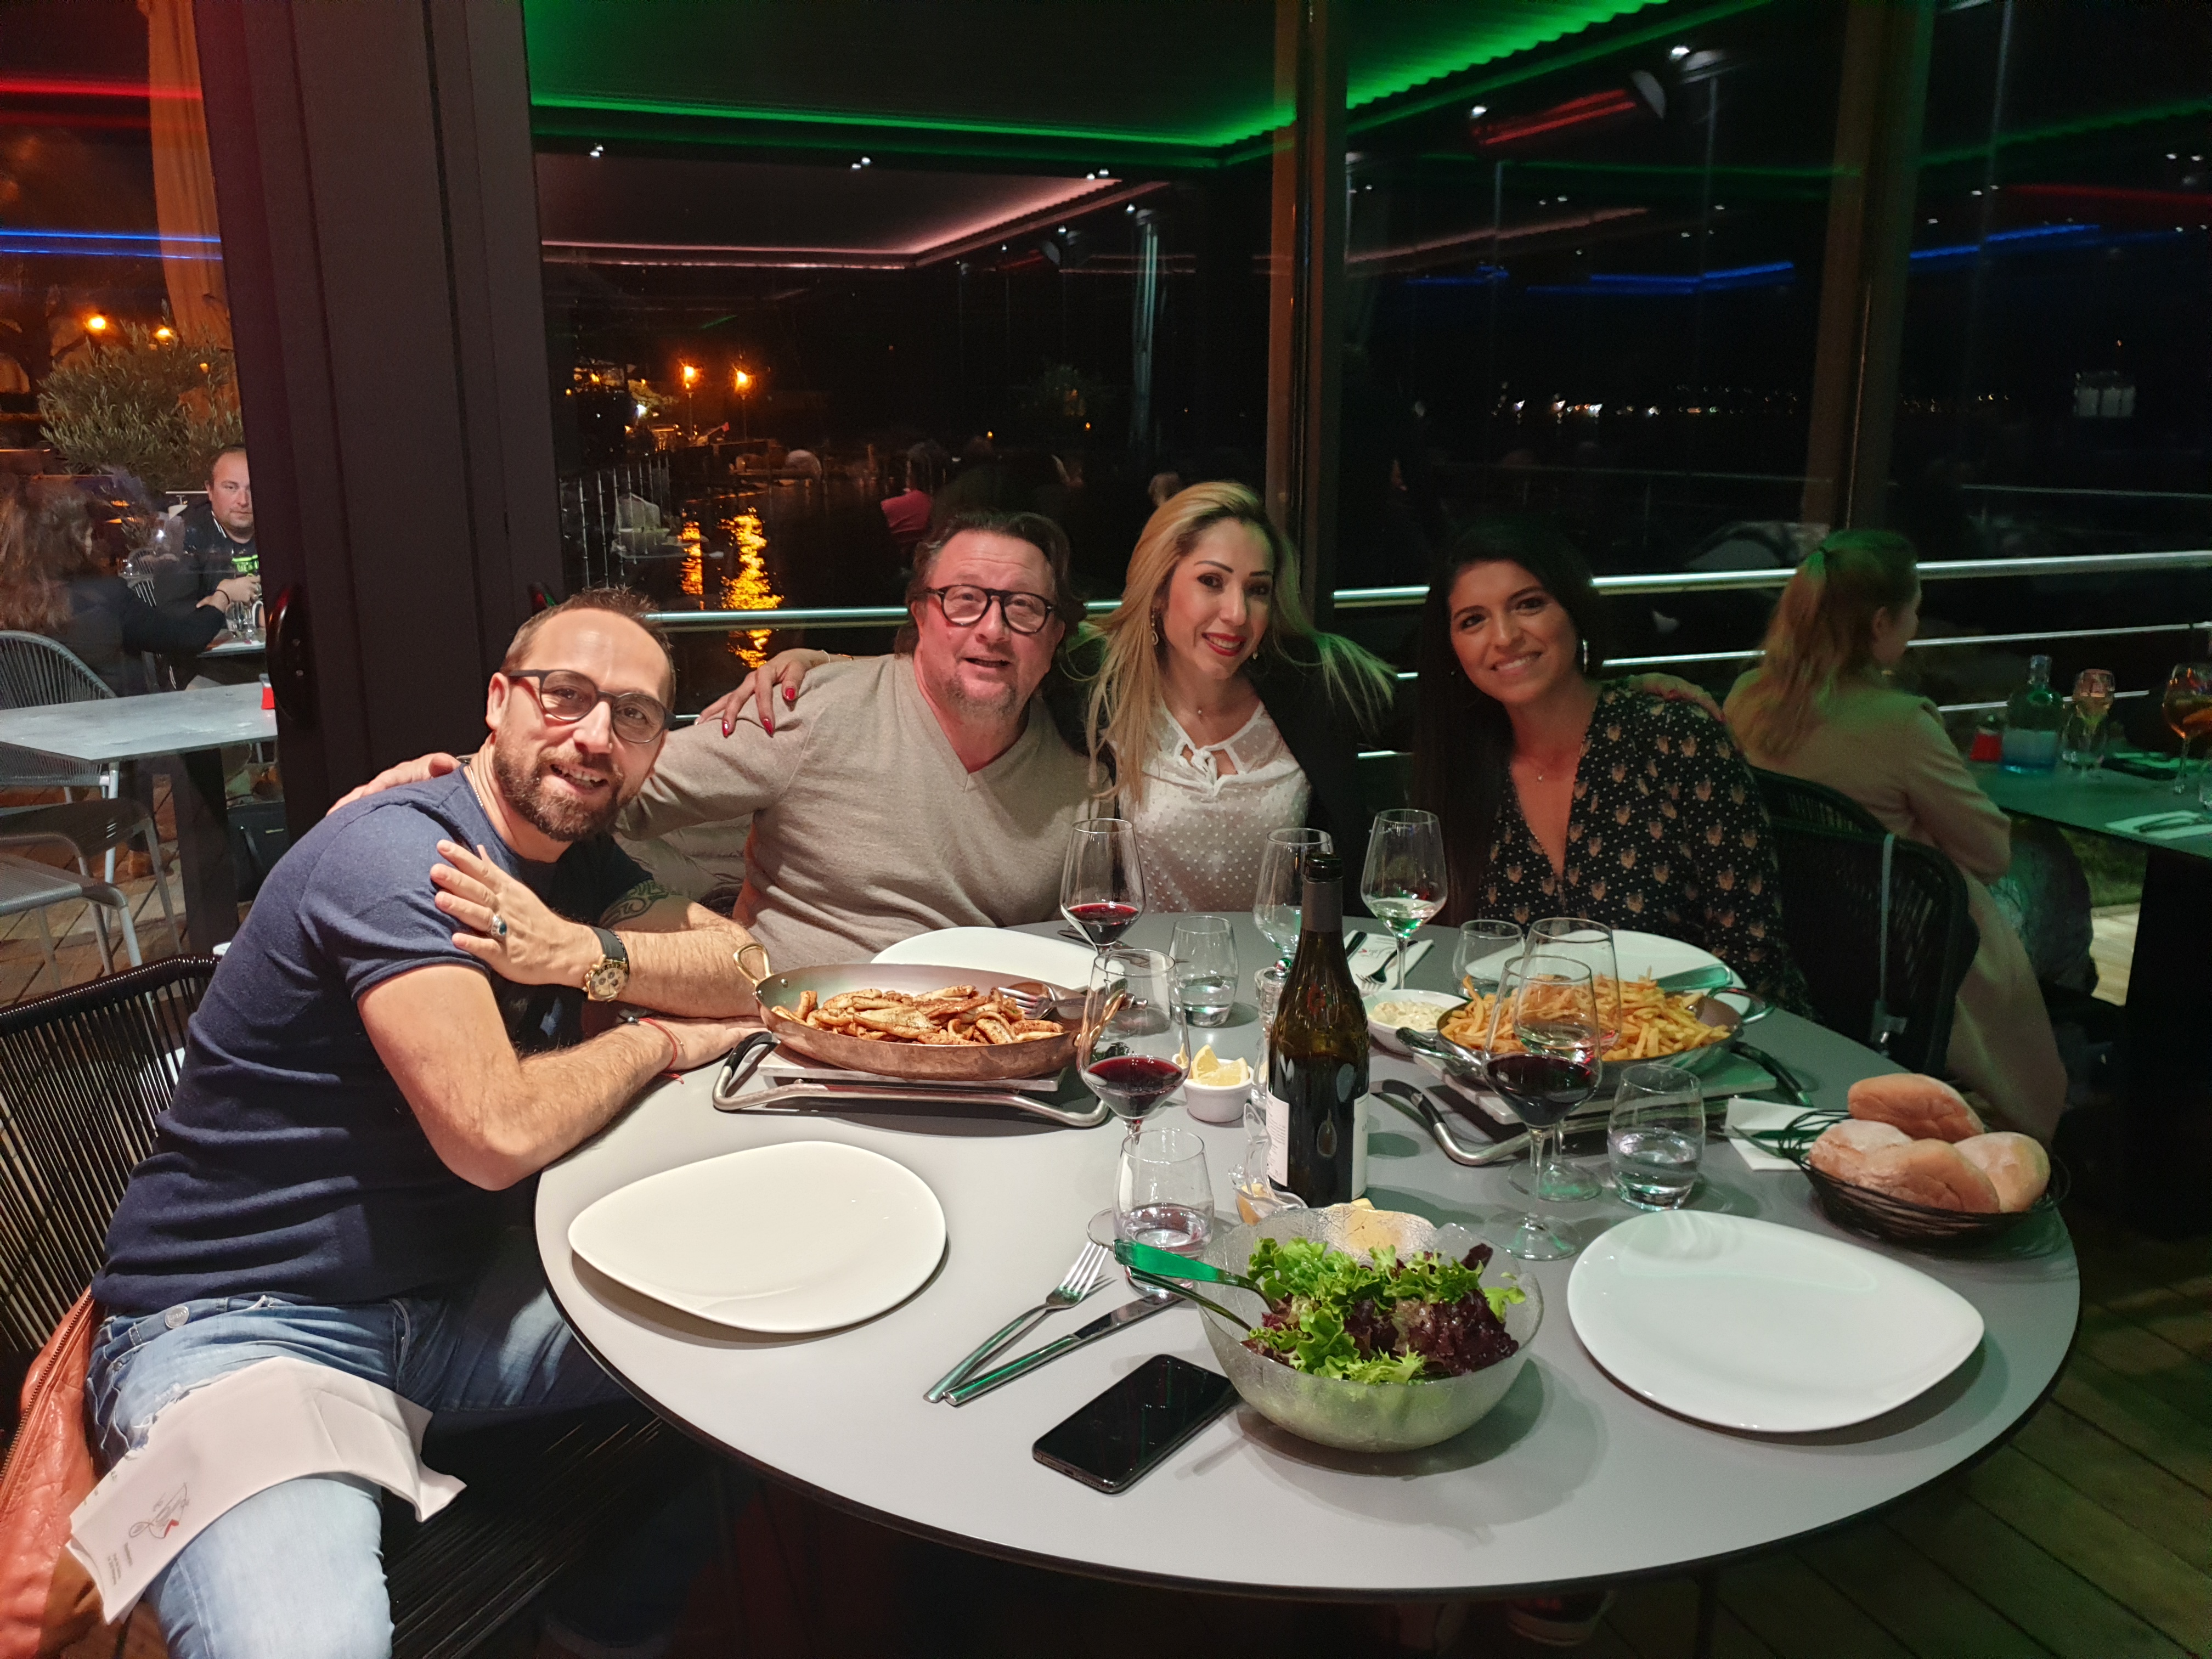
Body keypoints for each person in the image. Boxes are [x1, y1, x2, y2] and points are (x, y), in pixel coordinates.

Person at [91, 589, 763, 1659]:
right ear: (498, 701)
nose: (595, 735)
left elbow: (749, 969)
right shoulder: (402, 854)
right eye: (565, 694)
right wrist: (655, 1042)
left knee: (763, 1332)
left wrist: (585, 953)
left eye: (634, 715)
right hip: (245, 1326)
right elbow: (492, 1132)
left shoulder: (575, 863)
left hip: (450, 1299)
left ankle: (601, 1627)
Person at [341, 511, 1094, 968]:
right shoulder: (810, 712)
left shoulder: (1084, 767)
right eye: (964, 601)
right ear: (921, 613)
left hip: (994, 1057)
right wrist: (463, 785)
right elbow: (616, 783)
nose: (992, 629)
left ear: (1056, 633)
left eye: (1024, 608)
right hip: (793, 1045)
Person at [710, 483, 1393, 914]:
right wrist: (822, 666)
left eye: (1258, 589)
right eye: (1211, 582)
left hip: (1282, 986)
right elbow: (967, 663)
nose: (1237, 614)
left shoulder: (1320, 686)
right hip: (1142, 991)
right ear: (1161, 589)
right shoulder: (1092, 680)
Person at [1724, 531, 2068, 1137]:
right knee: (2056, 880)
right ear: (1881, 623)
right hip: (1899, 955)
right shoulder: (1901, 724)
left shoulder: (1747, 698)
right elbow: (1991, 853)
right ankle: (2053, 1097)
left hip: (1793, 931)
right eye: (1915, 612)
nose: (1916, 627)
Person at [1411, 516, 1809, 1011]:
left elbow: (1754, 956)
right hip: (1531, 1048)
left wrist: (1659, 1043)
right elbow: (1455, 962)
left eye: (1529, 604)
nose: (1505, 637)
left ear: (1574, 612)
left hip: (1716, 1041)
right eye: (1473, 620)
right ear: (1453, 649)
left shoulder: (1675, 739)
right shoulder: (1463, 772)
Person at [0, 477, 253, 693]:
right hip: (113, 727)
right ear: (73, 542)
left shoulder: (7, 602)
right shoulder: (103, 599)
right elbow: (186, 639)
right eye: (89, 535)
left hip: (26, 733)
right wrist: (223, 596)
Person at [172, 443, 260, 599]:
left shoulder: (283, 531)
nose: (243, 501)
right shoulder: (187, 536)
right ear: (210, 490)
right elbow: (179, 609)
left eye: (252, 488)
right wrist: (224, 596)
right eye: (231, 488)